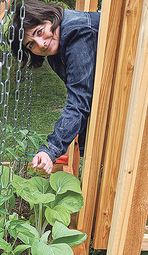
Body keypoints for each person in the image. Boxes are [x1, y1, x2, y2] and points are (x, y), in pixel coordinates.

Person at [10, 1, 100, 174]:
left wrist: (50, 149)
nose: (40, 44)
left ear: (49, 17)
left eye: (39, 32)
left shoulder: (77, 34)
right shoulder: (56, 45)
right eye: (31, 45)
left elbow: (79, 102)